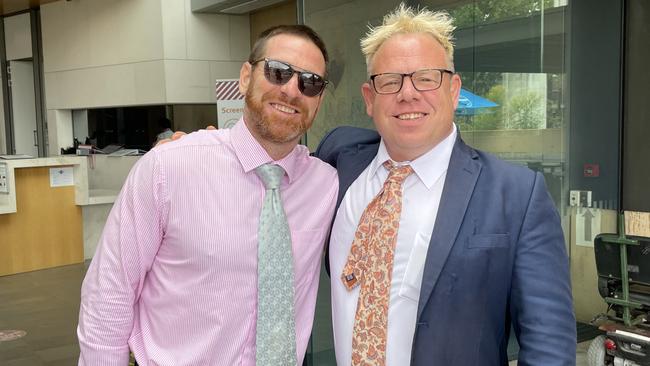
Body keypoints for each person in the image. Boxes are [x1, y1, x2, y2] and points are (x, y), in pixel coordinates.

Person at [314, 4, 576, 366]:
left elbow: (549, 348)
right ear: (370, 98)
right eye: (390, 80)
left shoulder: (516, 195)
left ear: (454, 90)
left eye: (426, 77)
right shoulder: (340, 158)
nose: (408, 94)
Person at [77, 25, 338, 365]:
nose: (292, 90)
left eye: (310, 82)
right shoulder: (169, 167)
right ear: (246, 77)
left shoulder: (326, 182)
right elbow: (108, 293)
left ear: (318, 100)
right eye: (278, 72)